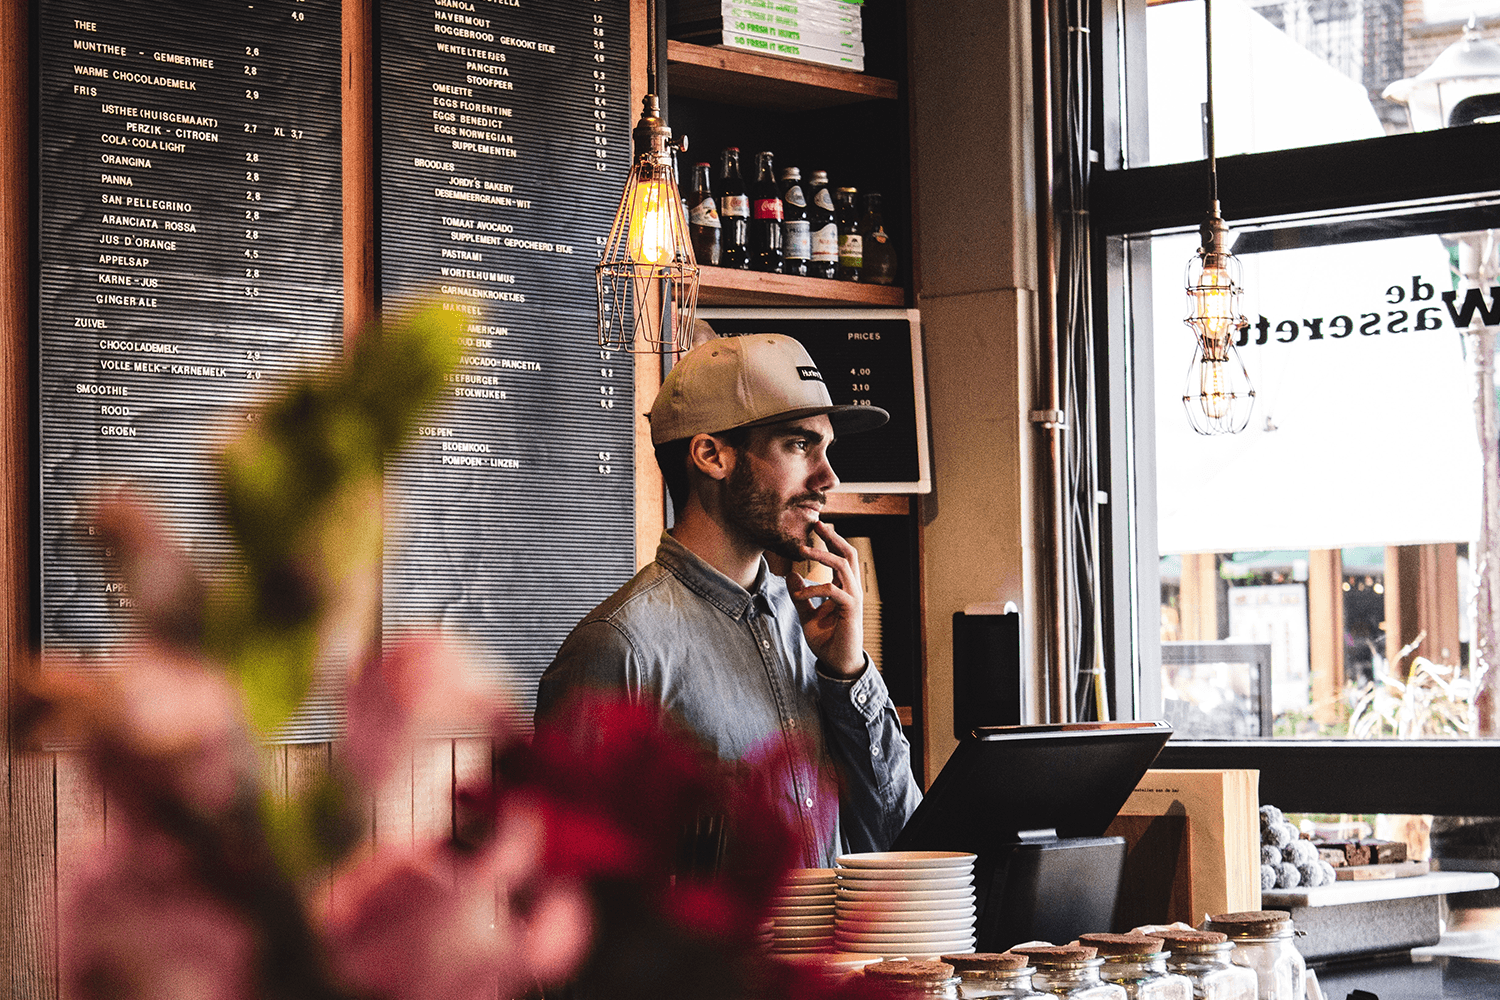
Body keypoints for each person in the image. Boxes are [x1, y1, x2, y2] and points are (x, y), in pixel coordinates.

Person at [536, 333, 921, 867]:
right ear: (711, 455)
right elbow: (579, 901)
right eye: (798, 445)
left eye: (827, 449)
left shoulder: (820, 631)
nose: (828, 477)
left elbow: (901, 843)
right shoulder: (619, 649)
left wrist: (848, 673)